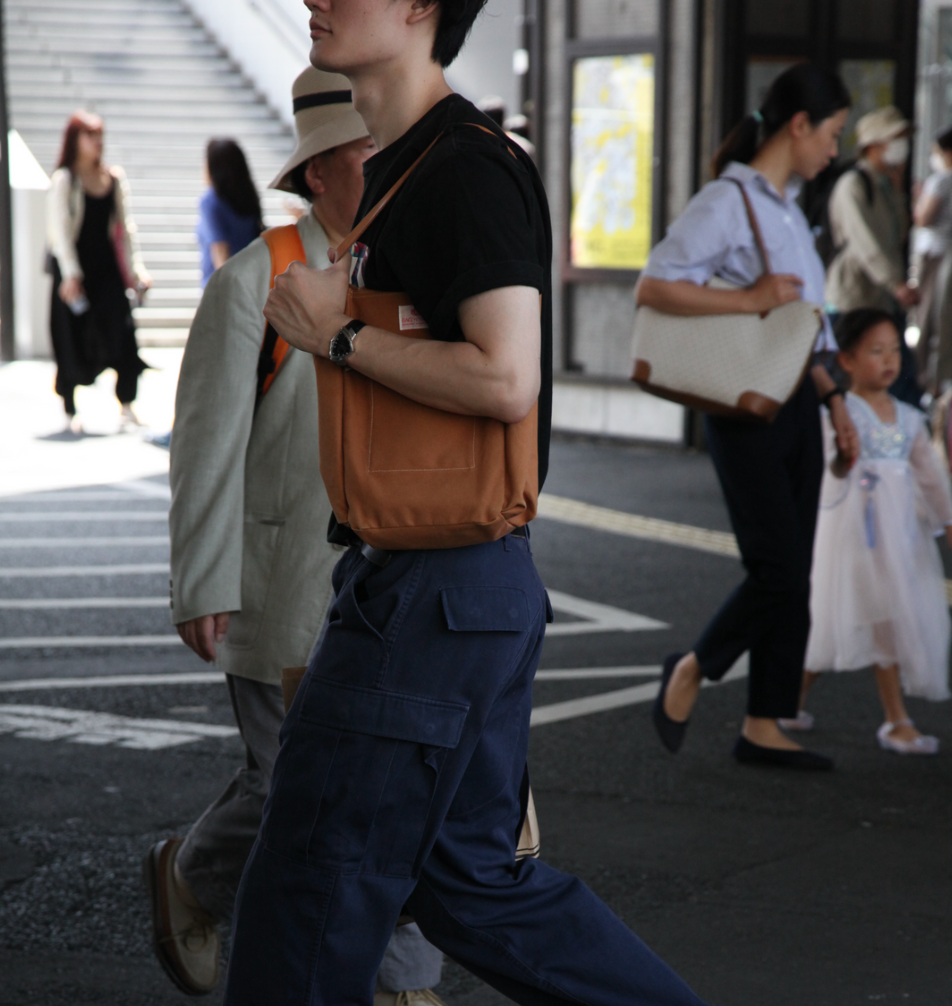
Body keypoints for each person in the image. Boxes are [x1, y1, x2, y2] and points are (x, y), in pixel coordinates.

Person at [222, 0, 709, 1004]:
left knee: (306, 892)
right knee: (468, 883)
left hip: (430, 594)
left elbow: (505, 378)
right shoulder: (410, 167)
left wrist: (338, 335)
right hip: (449, 586)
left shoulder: (464, 168)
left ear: (419, 9)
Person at [147, 69, 445, 1003]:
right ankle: (396, 982)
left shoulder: (417, 268)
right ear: (319, 172)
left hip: (394, 589)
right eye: (369, 151)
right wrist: (202, 580)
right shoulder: (255, 279)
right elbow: (206, 441)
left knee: (370, 795)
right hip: (284, 590)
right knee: (293, 784)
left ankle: (201, 882)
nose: (392, 165)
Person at [638, 64, 860, 771]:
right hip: (743, 400)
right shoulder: (728, 198)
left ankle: (765, 720)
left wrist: (834, 402)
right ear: (799, 125)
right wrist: (750, 298)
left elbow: (804, 325)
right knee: (780, 566)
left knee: (795, 569)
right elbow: (655, 284)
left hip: (795, 395)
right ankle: (693, 668)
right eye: (831, 133)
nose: (833, 149)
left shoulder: (790, 206)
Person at [793, 308, 951, 753]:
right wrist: (844, 459)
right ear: (845, 360)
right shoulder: (843, 414)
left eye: (895, 351)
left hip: (901, 539)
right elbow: (834, 470)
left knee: (870, 621)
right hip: (855, 538)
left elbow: (931, 477)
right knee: (867, 619)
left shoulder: (907, 418)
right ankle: (895, 720)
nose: (889, 360)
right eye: (876, 351)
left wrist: (949, 520)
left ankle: (791, 699)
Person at [46, 110, 150, 431]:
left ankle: (127, 405)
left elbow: (124, 230)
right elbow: (59, 231)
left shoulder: (112, 178)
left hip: (106, 270)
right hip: (74, 270)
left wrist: (136, 271)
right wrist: (71, 274)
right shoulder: (65, 179)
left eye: (100, 135)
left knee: (123, 332)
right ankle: (69, 409)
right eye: (90, 135)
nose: (97, 142)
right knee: (69, 336)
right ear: (75, 139)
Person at [825, 105, 921, 405]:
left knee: (894, 379)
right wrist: (895, 283)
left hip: (881, 300)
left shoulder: (888, 186)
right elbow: (866, 244)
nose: (901, 146)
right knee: (849, 381)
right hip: (853, 299)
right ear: (873, 145)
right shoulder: (853, 185)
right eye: (895, 138)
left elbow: (898, 237)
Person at [912, 126, 952, 394]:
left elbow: (923, 217)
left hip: (937, 256)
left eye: (937, 151)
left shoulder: (941, 180)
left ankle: (925, 382)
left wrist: (917, 199)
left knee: (929, 319)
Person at [196, 138, 264, 287]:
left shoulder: (211, 201)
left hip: (223, 290)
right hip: (251, 285)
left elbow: (220, 252)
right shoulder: (248, 197)